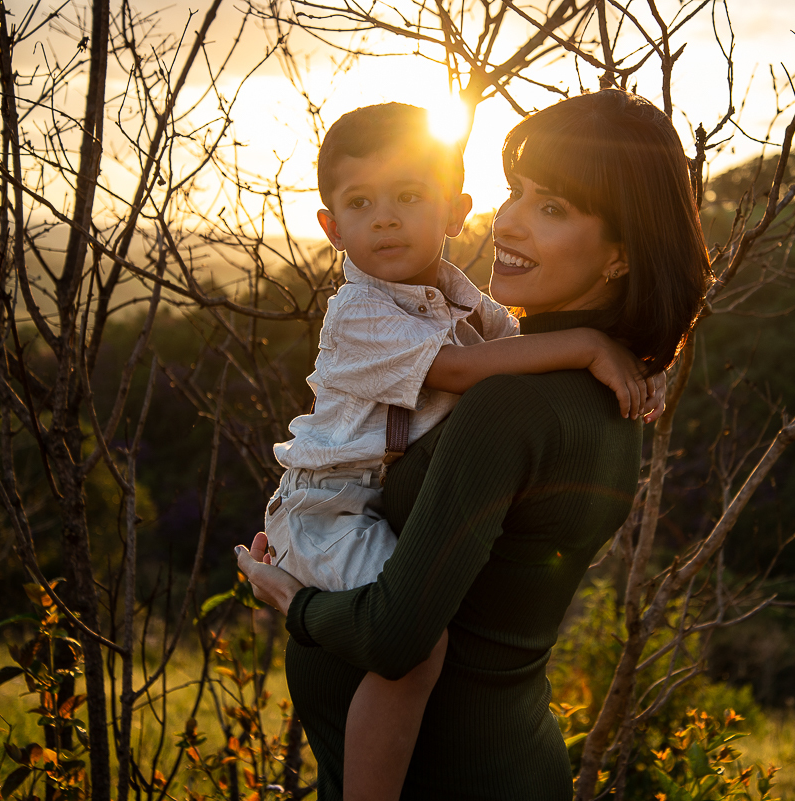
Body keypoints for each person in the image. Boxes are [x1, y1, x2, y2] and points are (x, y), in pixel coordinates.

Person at [237, 88, 712, 800]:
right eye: (518, 192)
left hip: (451, 774)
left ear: (620, 256)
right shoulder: (594, 388)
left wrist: (292, 602)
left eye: (551, 207)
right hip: (503, 755)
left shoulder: (518, 398)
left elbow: (396, 638)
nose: (513, 219)